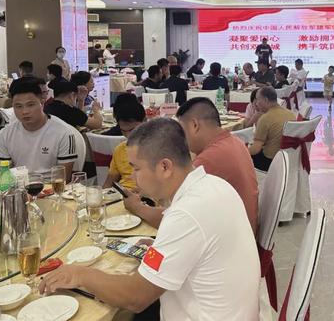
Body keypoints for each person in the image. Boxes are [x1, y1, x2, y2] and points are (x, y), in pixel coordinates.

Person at [40, 118, 260, 320]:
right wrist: (160, 247)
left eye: (136, 168)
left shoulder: (186, 214)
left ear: (165, 167)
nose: (132, 177)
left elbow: (136, 298)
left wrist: (80, 274)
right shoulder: (214, 185)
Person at [174, 98, 258, 234]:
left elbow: (177, 217)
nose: (182, 140)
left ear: (194, 125)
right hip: (245, 230)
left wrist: (139, 208)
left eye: (182, 132)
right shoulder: (234, 141)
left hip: (230, 239)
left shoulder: (209, 159)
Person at [0, 78, 77, 180]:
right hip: (18, 186)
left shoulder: (63, 132)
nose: (25, 111)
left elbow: (64, 179)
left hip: (51, 187)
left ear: (42, 101)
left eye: (30, 105)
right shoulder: (5, 134)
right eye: (18, 106)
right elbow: (3, 175)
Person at [247, 86, 296, 171]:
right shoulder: (291, 114)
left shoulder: (265, 118)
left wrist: (240, 151)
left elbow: (255, 149)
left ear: (266, 100)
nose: (256, 104)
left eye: (258, 100)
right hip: (288, 159)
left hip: (270, 162)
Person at [103, 101, 147, 190]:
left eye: (132, 130)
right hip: (122, 193)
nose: (128, 136)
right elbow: (108, 184)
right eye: (123, 131)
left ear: (145, 121)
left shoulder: (158, 148)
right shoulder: (120, 149)